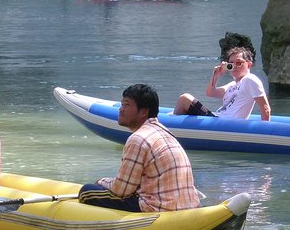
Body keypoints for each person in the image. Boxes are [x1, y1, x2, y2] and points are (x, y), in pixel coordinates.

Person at [78, 84, 201, 212]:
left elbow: (121, 189)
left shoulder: (138, 139)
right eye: (122, 105)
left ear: (143, 112)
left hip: (158, 208)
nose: (121, 109)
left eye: (126, 105)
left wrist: (101, 181)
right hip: (187, 205)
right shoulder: (166, 133)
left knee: (86, 191)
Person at [173, 46, 271, 121]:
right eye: (231, 64)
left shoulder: (250, 79)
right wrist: (215, 76)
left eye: (239, 63)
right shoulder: (232, 85)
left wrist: (265, 133)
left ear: (249, 64)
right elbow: (210, 93)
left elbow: (265, 108)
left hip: (225, 124)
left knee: (185, 99)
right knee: (183, 103)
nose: (235, 66)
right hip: (217, 119)